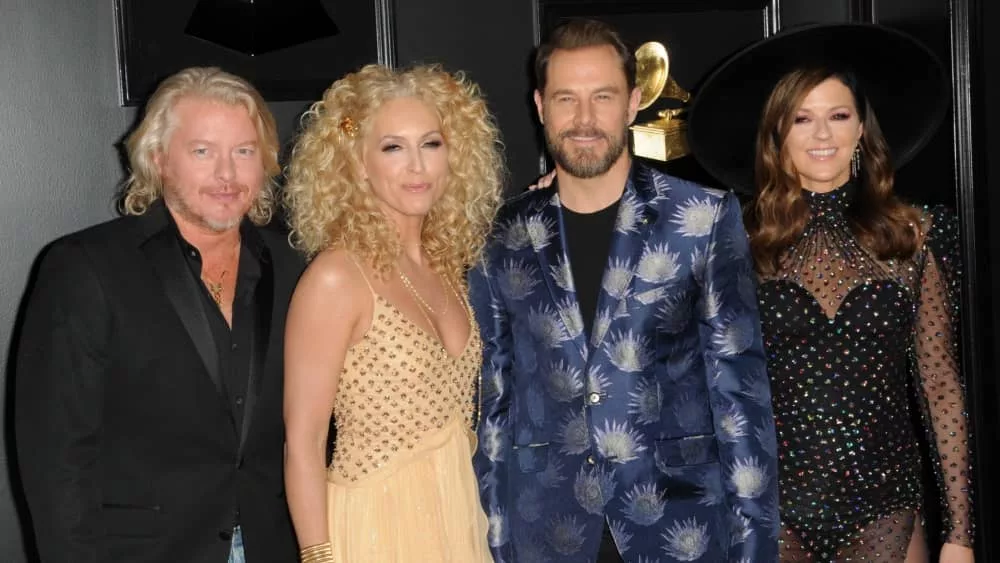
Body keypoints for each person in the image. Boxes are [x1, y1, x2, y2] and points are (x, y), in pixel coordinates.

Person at [470, 18, 780, 563]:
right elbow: (493, 402)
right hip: (546, 531)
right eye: (566, 99)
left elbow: (741, 400)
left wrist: (754, 549)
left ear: (633, 102)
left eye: (603, 97)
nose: (584, 119)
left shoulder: (702, 218)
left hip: (680, 527)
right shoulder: (500, 236)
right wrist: (495, 540)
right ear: (540, 106)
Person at [686, 23, 974, 562]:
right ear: (777, 133)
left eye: (838, 116)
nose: (822, 135)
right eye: (802, 118)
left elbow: (940, 386)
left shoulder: (916, 235)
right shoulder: (733, 240)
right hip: (769, 508)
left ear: (861, 127)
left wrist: (960, 533)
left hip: (885, 504)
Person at [14, 67, 302, 563]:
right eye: (202, 151)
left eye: (244, 151)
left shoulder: (295, 264)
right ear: (157, 158)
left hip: (275, 545)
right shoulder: (85, 267)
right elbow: (56, 456)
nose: (227, 175)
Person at [281, 63, 503, 563]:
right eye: (393, 148)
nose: (417, 166)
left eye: (431, 144)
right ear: (358, 163)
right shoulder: (337, 276)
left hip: (453, 517)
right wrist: (319, 558)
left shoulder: (447, 266)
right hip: (374, 527)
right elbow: (303, 442)